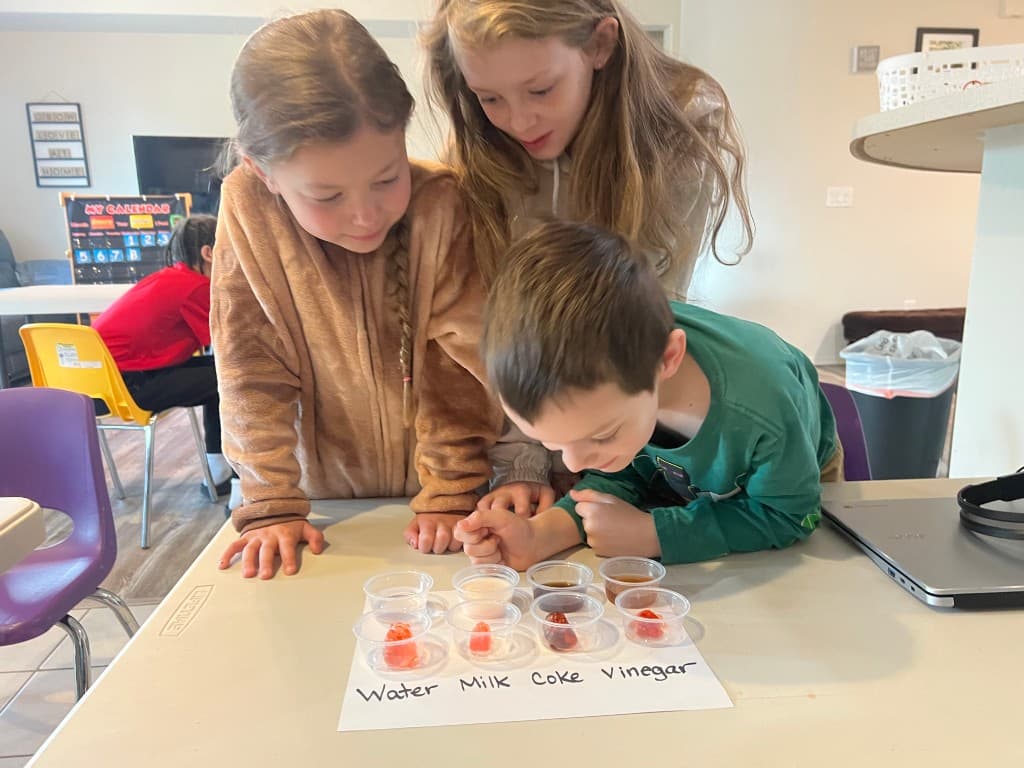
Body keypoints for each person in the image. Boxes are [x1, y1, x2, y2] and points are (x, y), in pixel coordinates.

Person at [423, 0, 756, 513]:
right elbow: (506, 327)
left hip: (621, 422)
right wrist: (525, 463)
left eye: (540, 89)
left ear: (600, 45)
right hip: (534, 428)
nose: (518, 119)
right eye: (488, 96)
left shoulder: (681, 130)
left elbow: (637, 327)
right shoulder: (479, 148)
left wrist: (603, 467)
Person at [212, 9, 503, 579]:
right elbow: (250, 369)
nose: (366, 215)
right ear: (263, 172)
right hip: (315, 505)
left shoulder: (442, 202)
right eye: (327, 195)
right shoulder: (247, 207)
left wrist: (451, 489)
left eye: (388, 178)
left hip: (441, 501)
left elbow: (462, 363)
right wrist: (270, 503)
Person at [455, 220, 842, 570]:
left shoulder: (762, 406)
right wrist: (542, 536)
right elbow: (627, 478)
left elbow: (791, 515)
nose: (572, 464)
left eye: (601, 435)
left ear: (667, 359)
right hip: (684, 472)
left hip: (795, 469)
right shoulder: (616, 401)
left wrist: (656, 534)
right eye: (551, 444)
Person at [92, 214, 232, 495]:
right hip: (129, 387)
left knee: (221, 371)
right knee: (231, 379)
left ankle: (220, 470)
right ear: (208, 253)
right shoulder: (198, 287)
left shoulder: (169, 278)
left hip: (96, 386)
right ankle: (223, 472)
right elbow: (232, 342)